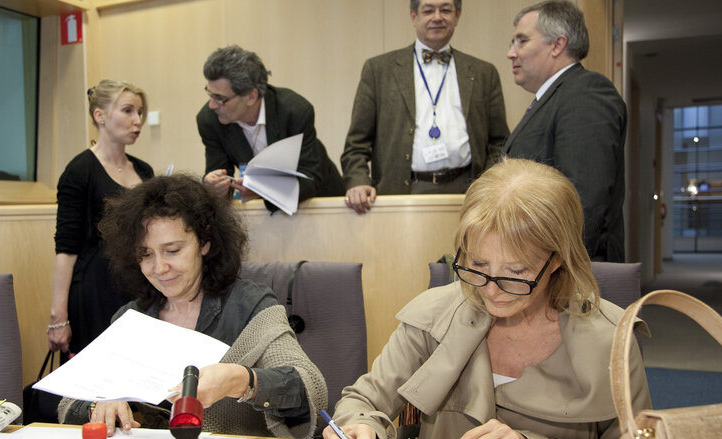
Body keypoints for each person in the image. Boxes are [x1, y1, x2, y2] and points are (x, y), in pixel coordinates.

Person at [321, 158, 651, 439]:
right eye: (478, 265)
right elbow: (363, 400)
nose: (491, 291)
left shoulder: (610, 340)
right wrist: (358, 430)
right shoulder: (434, 317)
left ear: (557, 260)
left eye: (516, 272)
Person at [57, 175, 327, 439]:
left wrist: (242, 380)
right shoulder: (133, 318)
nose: (160, 268)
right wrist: (99, 405)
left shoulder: (250, 306)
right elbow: (68, 402)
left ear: (205, 242)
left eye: (172, 250)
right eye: (146, 254)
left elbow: (310, 389)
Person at [342, 0, 510, 214]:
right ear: (414, 16)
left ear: (457, 15)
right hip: (401, 191)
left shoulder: (484, 73)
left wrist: (489, 186)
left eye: (446, 10)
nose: (437, 17)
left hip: (469, 192)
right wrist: (357, 180)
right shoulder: (378, 70)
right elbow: (356, 143)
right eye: (428, 10)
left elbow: (500, 142)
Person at [502, 1, 626, 262]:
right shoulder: (556, 97)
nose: (511, 53)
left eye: (521, 41)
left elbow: (582, 201)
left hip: (568, 273)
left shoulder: (586, 93)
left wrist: (555, 269)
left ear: (557, 45)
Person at [48, 79, 154, 362]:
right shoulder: (79, 171)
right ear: (100, 116)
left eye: (140, 112)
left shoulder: (144, 170)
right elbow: (66, 249)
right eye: (128, 111)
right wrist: (58, 316)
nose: (137, 120)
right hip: (95, 288)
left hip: (140, 284)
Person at [197, 45, 344, 211]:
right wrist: (213, 188)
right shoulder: (209, 121)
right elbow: (219, 174)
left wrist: (263, 192)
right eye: (210, 94)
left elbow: (310, 178)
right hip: (268, 212)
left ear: (251, 96)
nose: (212, 105)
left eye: (220, 98)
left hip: (318, 202)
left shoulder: (294, 111)